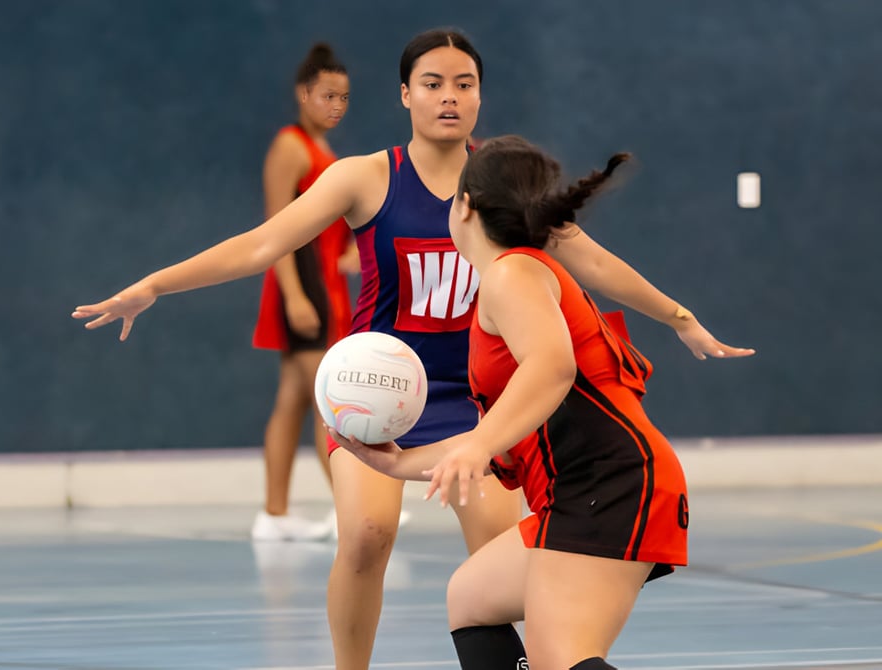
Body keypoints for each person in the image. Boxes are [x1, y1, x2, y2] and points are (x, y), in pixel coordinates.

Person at [72, 28, 754, 670]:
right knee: (367, 536)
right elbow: (260, 245)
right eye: (432, 83)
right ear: (405, 95)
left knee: (498, 560)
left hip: (478, 403)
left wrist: (679, 317)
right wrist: (154, 286)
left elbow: (593, 260)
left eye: (464, 83)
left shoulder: (500, 188)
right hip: (380, 394)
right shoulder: (366, 178)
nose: (449, 96)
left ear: (482, 95)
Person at [333, 135, 706, 670]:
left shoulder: (513, 273)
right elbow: (504, 426)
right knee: (472, 597)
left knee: (564, 658)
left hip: (610, 483)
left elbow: (553, 368)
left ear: (464, 207)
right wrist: (395, 463)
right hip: (588, 487)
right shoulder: (513, 276)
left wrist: (478, 444)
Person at [249, 43, 357, 541]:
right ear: (303, 93)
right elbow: (276, 229)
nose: (336, 106)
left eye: (344, 98)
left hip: (326, 286)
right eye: (327, 96)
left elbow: (331, 239)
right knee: (329, 399)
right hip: (302, 289)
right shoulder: (290, 147)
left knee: (293, 397)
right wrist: (293, 296)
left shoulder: (326, 152)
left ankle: (274, 516)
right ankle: (350, 508)